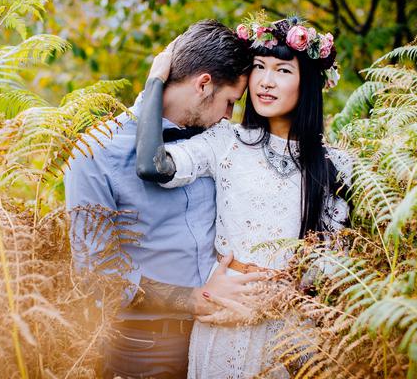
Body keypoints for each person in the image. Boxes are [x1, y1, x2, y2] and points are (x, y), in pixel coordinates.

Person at [136, 14, 352, 378]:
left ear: (308, 83)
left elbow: (336, 264)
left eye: (283, 70)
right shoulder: (226, 141)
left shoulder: (337, 164)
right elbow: (153, 166)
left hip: (293, 332)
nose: (266, 82)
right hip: (224, 319)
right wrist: (155, 81)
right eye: (259, 67)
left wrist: (277, 299)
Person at [64, 19, 270, 379]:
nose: (228, 116)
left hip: (218, 343)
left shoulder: (216, 143)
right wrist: (193, 298)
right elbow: (97, 275)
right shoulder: (95, 152)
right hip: (144, 349)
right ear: (203, 84)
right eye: (229, 103)